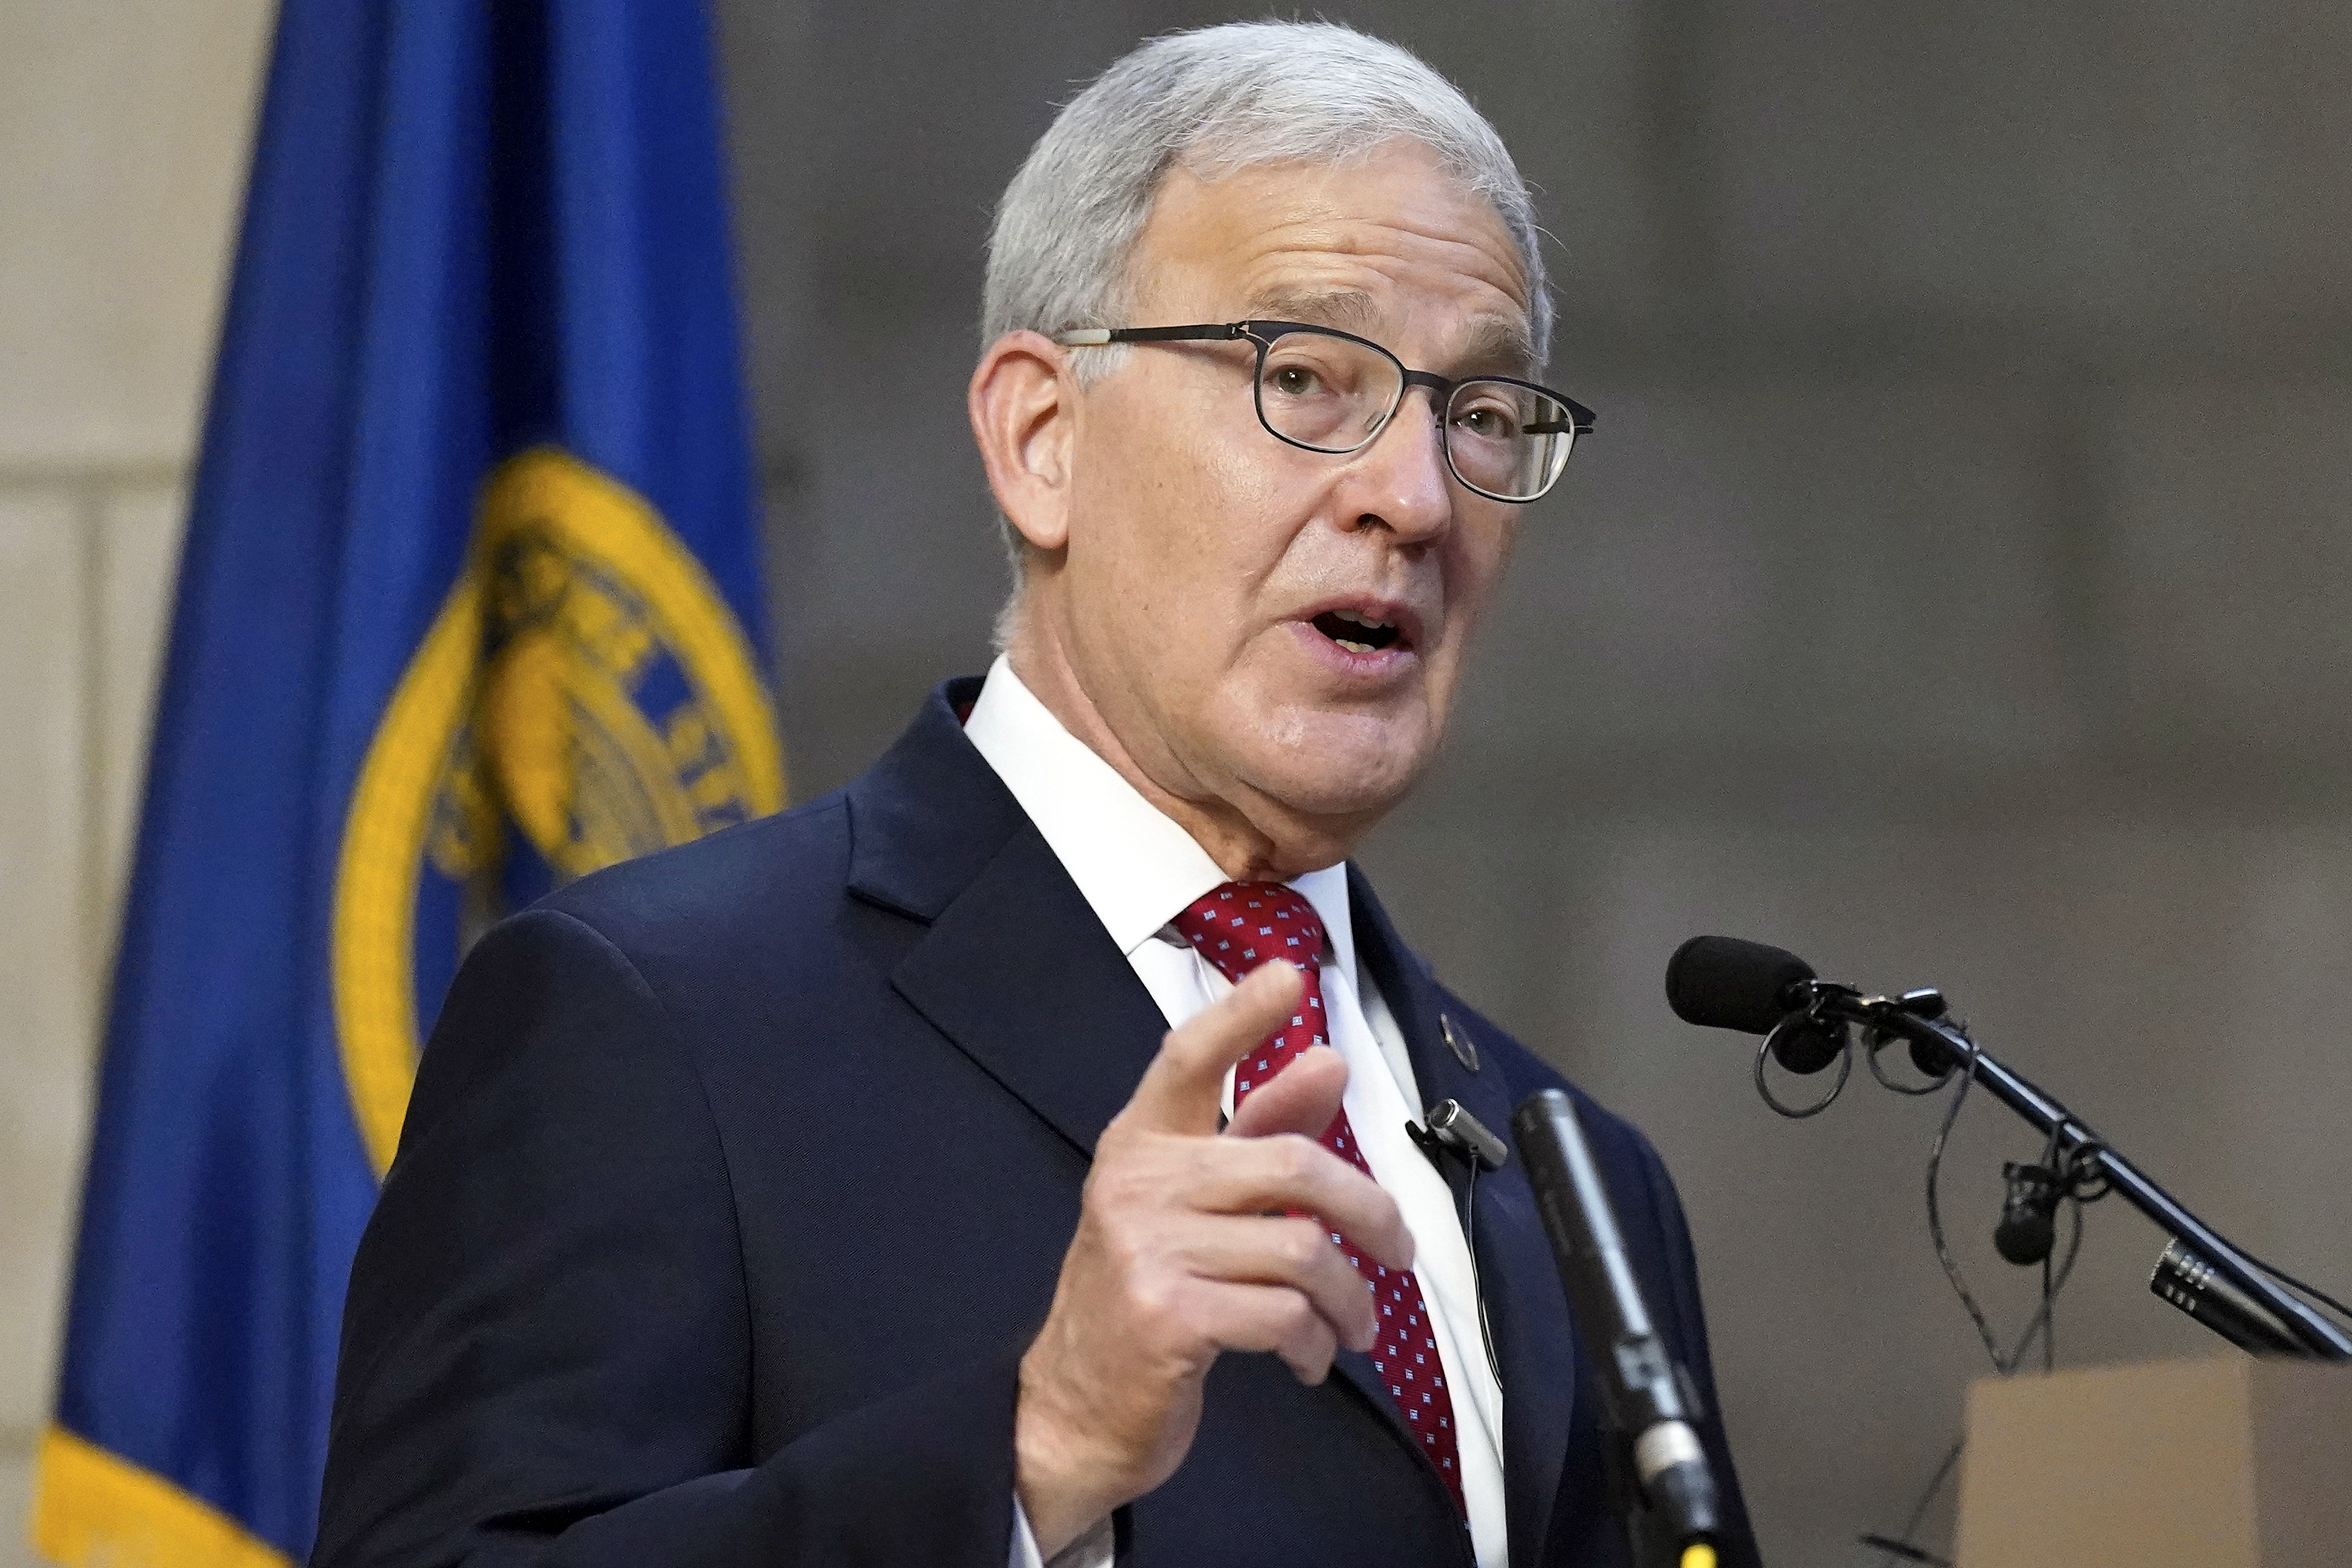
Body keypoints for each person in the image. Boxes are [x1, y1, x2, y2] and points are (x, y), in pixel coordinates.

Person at [313, 21, 1759, 1568]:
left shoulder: (1584, 1180)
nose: (1411, 497)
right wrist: (1034, 1450)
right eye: (1307, 378)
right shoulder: (655, 1021)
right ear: (1039, 437)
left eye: (1476, 415)